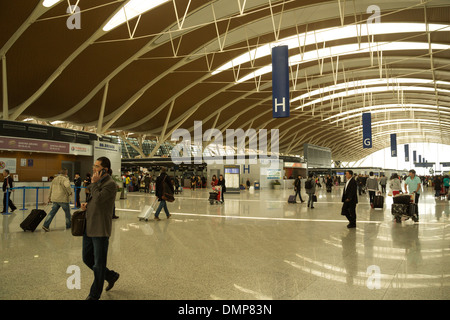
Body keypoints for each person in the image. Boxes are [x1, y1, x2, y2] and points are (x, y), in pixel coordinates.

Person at [80, 157, 120, 300]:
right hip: (89, 227)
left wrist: (94, 184)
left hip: (100, 229)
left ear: (105, 170)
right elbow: (93, 200)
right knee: (86, 258)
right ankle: (111, 275)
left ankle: (94, 295)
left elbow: (99, 199)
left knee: (99, 264)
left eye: (97, 166)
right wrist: (86, 205)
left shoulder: (110, 184)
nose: (93, 168)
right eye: (94, 165)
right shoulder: (97, 183)